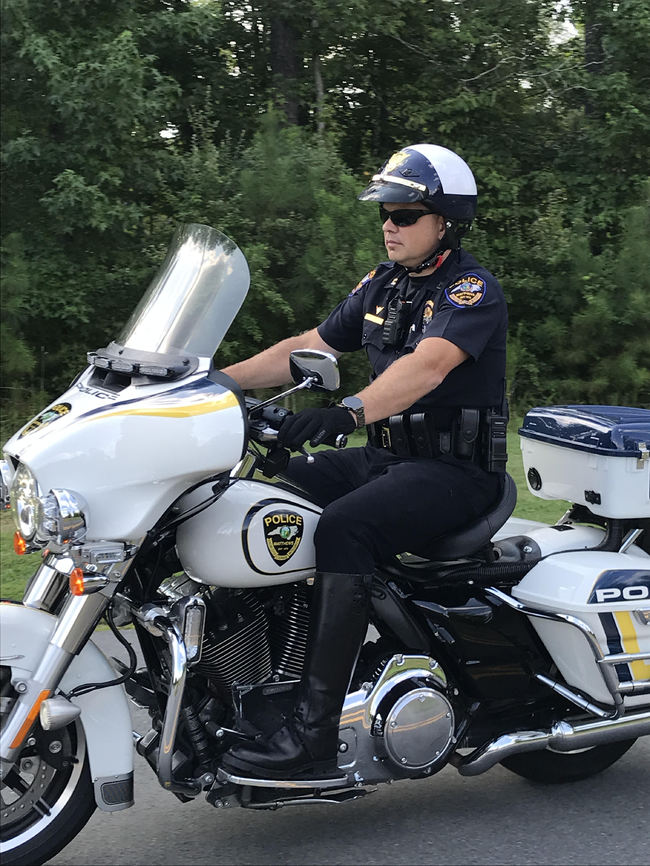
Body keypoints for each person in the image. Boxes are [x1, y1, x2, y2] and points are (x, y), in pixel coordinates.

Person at [219, 143, 508, 783]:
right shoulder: (383, 285)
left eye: (404, 214)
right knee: (267, 498)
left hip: (455, 473)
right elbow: (308, 346)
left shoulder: (470, 290)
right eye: (385, 213)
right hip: (385, 459)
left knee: (343, 528)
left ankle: (314, 736)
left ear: (445, 221)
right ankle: (265, 683)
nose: (389, 225)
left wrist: (348, 411)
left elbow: (427, 367)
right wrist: (213, 383)